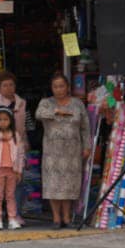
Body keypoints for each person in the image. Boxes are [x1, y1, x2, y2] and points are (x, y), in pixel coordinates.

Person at [35, 72, 92, 228]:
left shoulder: (77, 104)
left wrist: (87, 145)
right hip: (52, 152)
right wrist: (56, 112)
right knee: (53, 184)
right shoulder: (46, 103)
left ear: (67, 87)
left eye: (62, 86)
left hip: (72, 152)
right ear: (52, 88)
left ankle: (67, 217)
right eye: (55, 86)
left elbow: (85, 126)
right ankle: (56, 218)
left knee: (69, 185)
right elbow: (38, 114)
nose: (59, 89)